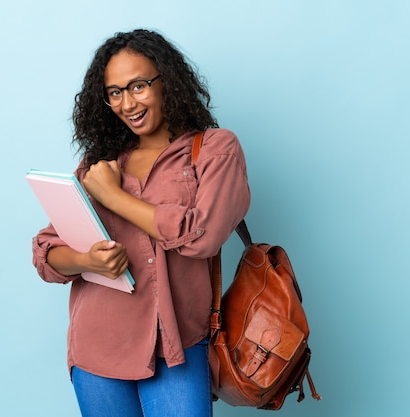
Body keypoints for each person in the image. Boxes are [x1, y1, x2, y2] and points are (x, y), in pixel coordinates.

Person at [32, 29, 250, 417]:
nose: (127, 103)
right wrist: (87, 261)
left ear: (168, 80)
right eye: (115, 92)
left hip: (178, 346)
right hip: (97, 346)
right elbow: (46, 254)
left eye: (138, 86)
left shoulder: (215, 149)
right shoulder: (98, 164)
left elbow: (203, 236)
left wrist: (115, 197)